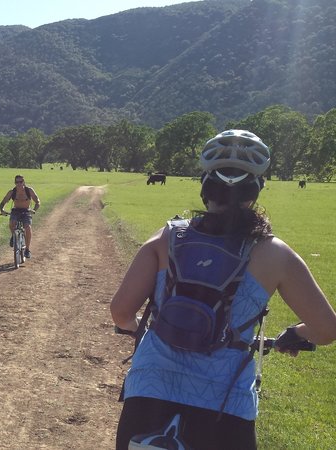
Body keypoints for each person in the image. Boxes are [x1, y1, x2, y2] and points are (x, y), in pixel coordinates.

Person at [110, 130, 336, 450]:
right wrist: (295, 332)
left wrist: (139, 330)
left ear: (204, 187)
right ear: (256, 191)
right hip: (225, 410)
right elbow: (326, 329)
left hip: (150, 395)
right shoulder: (275, 254)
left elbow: (121, 311)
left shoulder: (166, 238)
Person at [0, 175, 40, 258]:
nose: (19, 184)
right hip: (16, 210)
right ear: (15, 183)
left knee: (27, 227)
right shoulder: (12, 192)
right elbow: (3, 202)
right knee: (11, 223)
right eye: (17, 182)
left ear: (24, 182)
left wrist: (34, 210)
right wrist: (2, 210)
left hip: (26, 211)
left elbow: (37, 202)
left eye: (20, 182)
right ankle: (13, 236)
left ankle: (27, 250)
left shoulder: (29, 191)